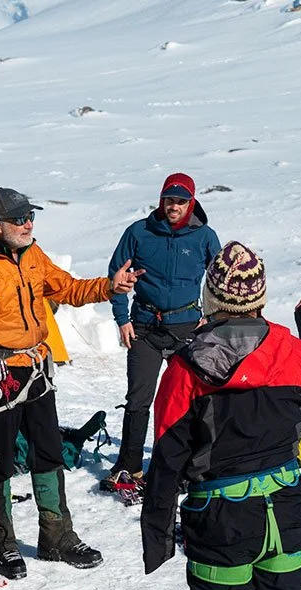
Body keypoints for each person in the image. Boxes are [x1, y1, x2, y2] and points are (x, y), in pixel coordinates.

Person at [140, 242, 301, 590]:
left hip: (221, 523)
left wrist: (158, 537)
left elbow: (167, 457)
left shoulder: (185, 367)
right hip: (284, 517)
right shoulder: (293, 350)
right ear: (260, 298)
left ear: (210, 297)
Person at [0, 187, 136, 579]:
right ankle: (1, 543)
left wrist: (109, 286)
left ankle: (56, 538)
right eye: (19, 219)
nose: (28, 224)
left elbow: (68, 288)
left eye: (30, 217)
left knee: (48, 451)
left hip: (36, 367)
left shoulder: (33, 255)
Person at [103, 173, 221, 491]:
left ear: (191, 202)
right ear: (161, 200)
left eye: (181, 201)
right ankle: (129, 466)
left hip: (186, 327)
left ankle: (189, 463)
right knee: (139, 399)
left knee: (188, 399)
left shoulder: (205, 236)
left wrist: (210, 320)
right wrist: (122, 319)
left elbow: (219, 280)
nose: (174, 206)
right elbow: (118, 276)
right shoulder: (139, 233)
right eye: (170, 199)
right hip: (144, 326)